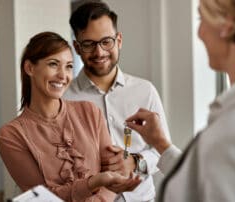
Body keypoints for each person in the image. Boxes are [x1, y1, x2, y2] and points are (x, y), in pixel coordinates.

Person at [126, 0, 235, 201]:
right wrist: (161, 145)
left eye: (201, 18)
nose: (199, 33)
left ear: (228, 24)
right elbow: (208, 183)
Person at [0, 31, 140, 202]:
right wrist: (93, 182)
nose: (63, 76)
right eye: (53, 64)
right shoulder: (11, 135)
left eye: (69, 66)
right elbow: (43, 198)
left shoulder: (90, 112)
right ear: (30, 68)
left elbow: (113, 172)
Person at [64, 1, 175, 202]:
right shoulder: (64, 99)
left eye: (106, 41)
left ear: (119, 40)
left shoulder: (145, 91)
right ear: (77, 48)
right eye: (89, 44)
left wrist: (134, 162)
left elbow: (162, 149)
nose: (99, 52)